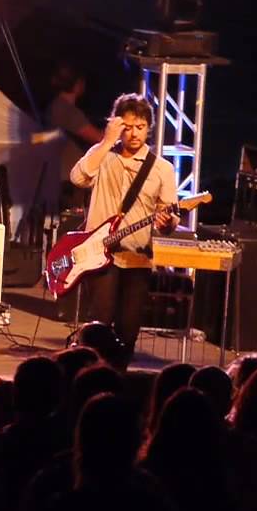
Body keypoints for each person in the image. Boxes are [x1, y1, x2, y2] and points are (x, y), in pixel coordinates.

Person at [69, 93, 178, 367]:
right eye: (127, 127)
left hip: (137, 257)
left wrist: (168, 223)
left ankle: (118, 378)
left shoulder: (162, 169)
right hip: (101, 254)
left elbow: (170, 215)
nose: (134, 134)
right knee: (100, 326)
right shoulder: (103, 155)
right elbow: (78, 177)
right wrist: (106, 141)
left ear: (149, 128)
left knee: (128, 330)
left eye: (140, 127)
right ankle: (92, 376)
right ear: (117, 125)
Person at [45, 62, 104, 211]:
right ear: (77, 84)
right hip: (68, 179)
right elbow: (98, 138)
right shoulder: (68, 111)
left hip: (58, 176)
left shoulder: (55, 106)